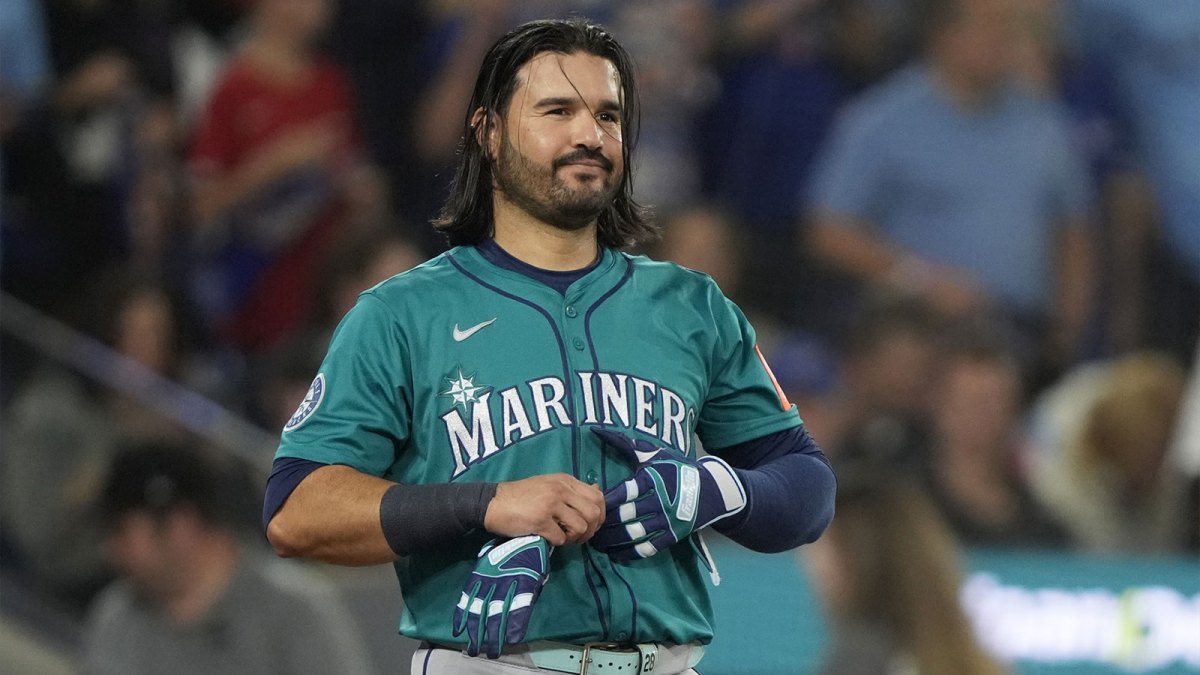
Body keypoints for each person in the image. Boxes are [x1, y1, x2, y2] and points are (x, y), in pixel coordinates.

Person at [263, 17, 836, 675]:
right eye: (558, 110)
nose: (589, 135)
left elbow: (808, 485)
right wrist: (486, 504)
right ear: (489, 132)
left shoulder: (691, 305)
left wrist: (715, 488)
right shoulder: (402, 313)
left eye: (608, 114)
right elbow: (296, 510)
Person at [805, 0, 1097, 384]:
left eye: (1008, 29)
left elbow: (1074, 228)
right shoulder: (881, 120)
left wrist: (1067, 329)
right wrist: (920, 277)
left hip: (1025, 332)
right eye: (989, 28)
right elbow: (827, 231)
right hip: (926, 327)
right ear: (943, 36)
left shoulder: (1042, 122)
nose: (1004, 42)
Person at [81, 439, 376, 675]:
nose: (111, 550)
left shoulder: (292, 611)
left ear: (181, 526)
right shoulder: (118, 616)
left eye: (121, 532)